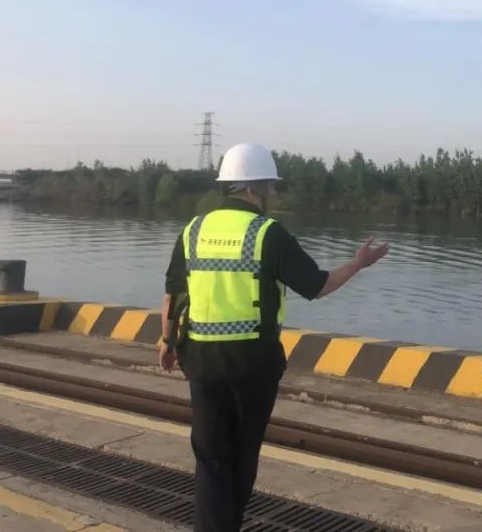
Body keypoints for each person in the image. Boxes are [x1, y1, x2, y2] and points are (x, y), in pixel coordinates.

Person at [159, 142, 389, 532]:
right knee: (241, 456)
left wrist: (167, 341)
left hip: (201, 360)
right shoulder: (268, 233)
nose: (275, 194)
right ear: (254, 189)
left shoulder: (193, 230)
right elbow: (318, 285)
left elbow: (173, 293)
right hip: (252, 364)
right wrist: (358, 264)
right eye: (272, 186)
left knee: (210, 458)